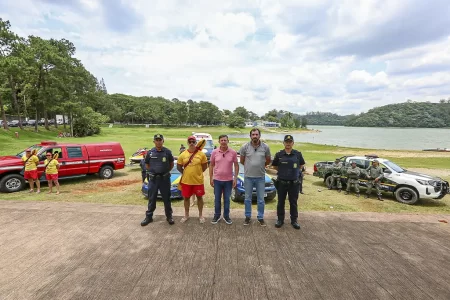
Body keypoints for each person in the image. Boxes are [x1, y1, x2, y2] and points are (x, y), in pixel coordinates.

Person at [239, 128, 271, 226]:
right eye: (253, 134)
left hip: (260, 177)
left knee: (261, 199)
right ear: (250, 136)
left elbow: (268, 160)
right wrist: (251, 166)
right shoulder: (245, 147)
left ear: (259, 136)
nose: (255, 136)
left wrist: (259, 165)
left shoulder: (265, 147)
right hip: (248, 177)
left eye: (256, 134)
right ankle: (248, 217)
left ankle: (260, 217)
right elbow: (242, 160)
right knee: (247, 199)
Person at [272, 135, 305, 229]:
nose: (288, 144)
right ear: (283, 143)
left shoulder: (298, 154)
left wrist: (293, 173)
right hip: (282, 182)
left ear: (293, 143)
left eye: (290, 142)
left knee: (293, 202)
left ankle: (294, 220)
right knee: (280, 202)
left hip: (294, 183)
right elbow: (275, 166)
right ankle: (280, 220)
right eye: (286, 142)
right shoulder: (279, 154)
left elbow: (301, 165)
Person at [141, 134, 175, 226]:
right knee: (151, 199)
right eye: (157, 140)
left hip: (164, 179)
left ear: (163, 141)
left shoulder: (167, 152)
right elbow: (147, 165)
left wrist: (164, 171)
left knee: (167, 199)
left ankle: (169, 216)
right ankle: (149, 217)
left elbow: (171, 164)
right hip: (153, 180)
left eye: (160, 140)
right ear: (154, 141)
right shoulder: (150, 152)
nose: (158, 141)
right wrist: (154, 171)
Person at [177, 135, 208, 223]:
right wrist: (185, 173)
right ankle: (186, 215)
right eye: (190, 142)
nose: (191, 143)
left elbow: (205, 166)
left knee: (199, 198)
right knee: (186, 198)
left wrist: (197, 173)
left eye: (193, 142)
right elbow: (179, 166)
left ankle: (201, 215)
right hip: (186, 181)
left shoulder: (201, 154)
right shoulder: (183, 154)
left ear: (195, 143)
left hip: (198, 181)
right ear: (187, 143)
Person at [209, 134, 239, 225]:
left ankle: (226, 216)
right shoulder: (214, 152)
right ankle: (217, 215)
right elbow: (211, 165)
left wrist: (235, 178)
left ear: (228, 141)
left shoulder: (233, 152)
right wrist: (211, 177)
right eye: (221, 140)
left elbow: (236, 166)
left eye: (225, 140)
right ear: (219, 142)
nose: (223, 142)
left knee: (227, 199)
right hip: (217, 180)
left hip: (228, 180)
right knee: (217, 199)